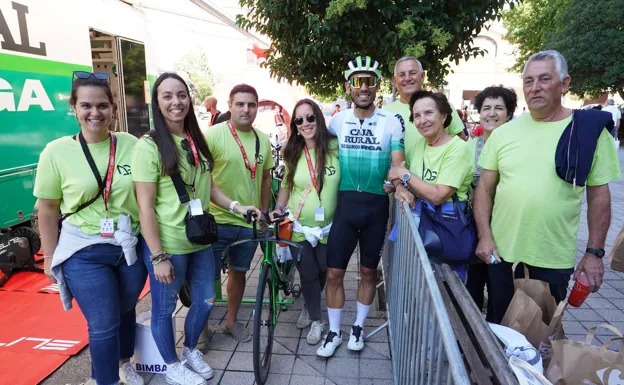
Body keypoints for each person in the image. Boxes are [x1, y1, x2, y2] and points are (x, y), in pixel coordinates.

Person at [474, 50, 621, 324]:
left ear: (564, 84)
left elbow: (600, 195)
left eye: (544, 79)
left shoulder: (587, 132)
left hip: (552, 257)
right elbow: (484, 189)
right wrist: (485, 236)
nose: (535, 87)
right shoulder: (503, 134)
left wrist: (594, 253)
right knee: (498, 327)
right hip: (502, 254)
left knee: (539, 336)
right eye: (528, 81)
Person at [133, 73, 260, 385]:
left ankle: (190, 350)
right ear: (157, 103)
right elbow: (145, 207)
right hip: (169, 244)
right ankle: (171, 364)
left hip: (200, 239)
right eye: (167, 96)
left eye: (181, 95)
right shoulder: (148, 146)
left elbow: (208, 184)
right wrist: (158, 255)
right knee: (164, 309)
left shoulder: (194, 137)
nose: (176, 102)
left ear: (189, 99)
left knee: (204, 299)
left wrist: (236, 207)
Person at [35, 72, 146, 385]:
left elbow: (146, 194)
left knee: (125, 310)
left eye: (101, 105)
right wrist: (49, 256)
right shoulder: (55, 152)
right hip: (83, 250)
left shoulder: (130, 144)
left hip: (128, 246)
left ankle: (124, 363)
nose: (94, 112)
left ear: (113, 107)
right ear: (74, 108)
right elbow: (48, 208)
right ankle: (103, 380)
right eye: (86, 105)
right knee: (103, 322)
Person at [317, 56, 412, 358]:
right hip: (344, 205)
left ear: (378, 85)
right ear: (348, 86)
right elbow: (322, 159)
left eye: (370, 81)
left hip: (375, 207)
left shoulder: (391, 122)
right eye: (357, 81)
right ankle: (334, 331)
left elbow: (397, 163)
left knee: (368, 272)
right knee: (334, 274)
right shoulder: (336, 120)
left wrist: (398, 185)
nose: (364, 87)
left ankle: (357, 326)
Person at [203, 84, 275, 343]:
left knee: (239, 272)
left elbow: (266, 179)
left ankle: (231, 322)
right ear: (230, 105)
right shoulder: (212, 135)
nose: (246, 109)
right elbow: (201, 178)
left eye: (251, 105)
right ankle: (201, 329)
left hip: (248, 222)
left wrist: (264, 212)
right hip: (215, 221)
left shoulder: (262, 139)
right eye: (240, 104)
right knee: (205, 278)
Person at [271, 99, 341, 345]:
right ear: (295, 125)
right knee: (309, 273)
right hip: (299, 227)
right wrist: (278, 208)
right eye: (299, 120)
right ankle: (316, 319)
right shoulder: (291, 150)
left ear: (318, 118)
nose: (305, 123)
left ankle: (309, 306)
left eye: (310, 117)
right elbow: (286, 186)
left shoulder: (335, 147)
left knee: (325, 271)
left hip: (330, 228)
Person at [388, 90, 473, 279]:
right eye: (416, 115)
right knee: (416, 285)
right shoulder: (420, 145)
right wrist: (400, 186)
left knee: (444, 294)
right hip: (421, 228)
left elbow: (437, 195)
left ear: (443, 116)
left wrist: (406, 176)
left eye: (428, 113)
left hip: (445, 230)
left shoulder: (458, 149)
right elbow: (395, 171)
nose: (422, 120)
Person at [463, 85, 518, 313]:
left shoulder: (516, 146)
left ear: (510, 113)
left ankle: (497, 344)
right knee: (471, 290)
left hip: (507, 233)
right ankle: (470, 344)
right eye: (486, 108)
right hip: (473, 232)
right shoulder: (468, 148)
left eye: (499, 108)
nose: (492, 113)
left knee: (501, 295)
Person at [385, 57, 467, 162]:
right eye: (402, 75)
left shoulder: (442, 106)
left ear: (422, 76)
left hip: (439, 175)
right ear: (395, 81)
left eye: (412, 73)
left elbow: (461, 141)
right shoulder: (385, 113)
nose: (407, 78)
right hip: (398, 175)